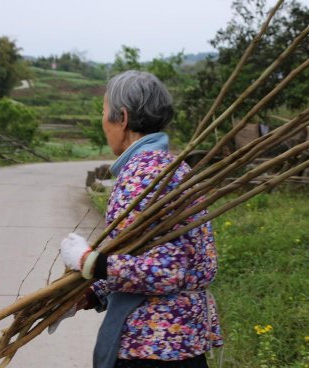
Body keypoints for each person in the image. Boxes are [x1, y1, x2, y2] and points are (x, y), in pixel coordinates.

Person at [59, 71, 222, 368]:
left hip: (152, 348)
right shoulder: (175, 168)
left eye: (103, 113)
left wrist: (89, 262)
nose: (102, 122)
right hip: (183, 342)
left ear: (122, 118)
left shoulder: (141, 176)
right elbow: (144, 259)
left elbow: (167, 270)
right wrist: (94, 295)